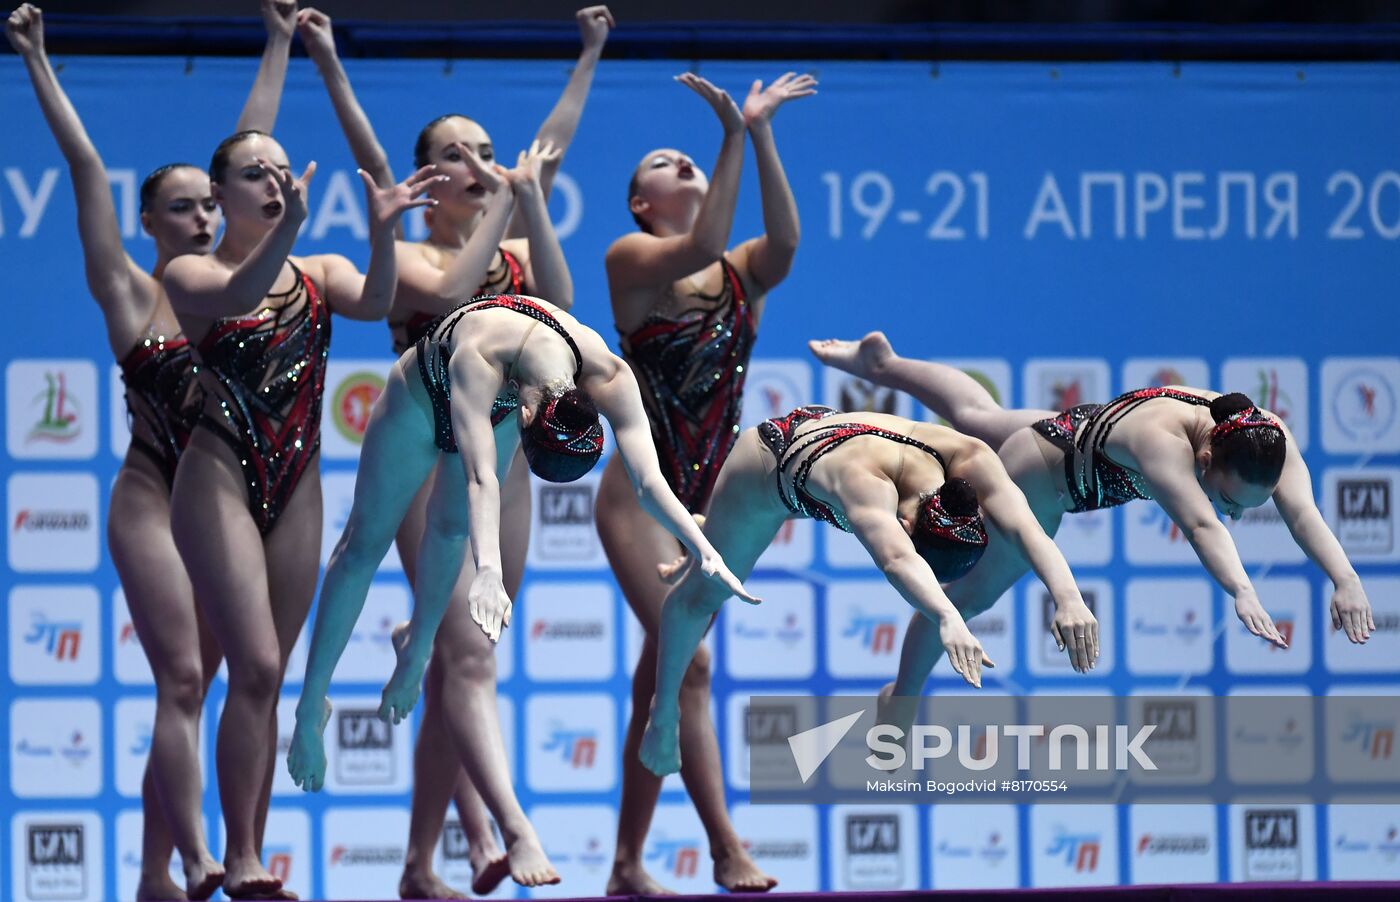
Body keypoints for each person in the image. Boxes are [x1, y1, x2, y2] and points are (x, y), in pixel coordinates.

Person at [295, 6, 611, 894]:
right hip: (426, 458)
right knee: (468, 654)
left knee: (463, 655)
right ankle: (509, 831)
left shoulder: (515, 233)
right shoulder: (418, 251)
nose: (480, 163)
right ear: (431, 176)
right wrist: (325, 56)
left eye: (486, 150)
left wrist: (587, 57)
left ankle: (417, 862)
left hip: (505, 466)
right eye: (458, 155)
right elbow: (452, 281)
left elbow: (560, 291)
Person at [286, 293, 757, 859]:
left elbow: (648, 481)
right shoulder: (479, 356)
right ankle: (312, 705)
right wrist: (490, 572)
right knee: (363, 544)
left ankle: (415, 650)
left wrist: (703, 545)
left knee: (450, 527)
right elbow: (483, 478)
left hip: (507, 398)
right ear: (532, 416)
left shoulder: (605, 372)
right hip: (421, 396)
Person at [7, 3, 294, 898]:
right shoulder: (128, 291)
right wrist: (37, 57)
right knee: (179, 677)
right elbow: (87, 166)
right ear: (148, 223)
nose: (206, 216)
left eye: (212, 203)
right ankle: (199, 856)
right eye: (183, 207)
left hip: (223, 506)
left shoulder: (232, 284)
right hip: (150, 500)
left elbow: (255, 146)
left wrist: (279, 41)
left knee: (214, 682)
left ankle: (150, 876)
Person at [810, 332, 1377, 731]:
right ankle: (901, 698)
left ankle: (882, 364)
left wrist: (1345, 579)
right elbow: (1201, 525)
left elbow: (1302, 514)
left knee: (977, 418)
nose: (1232, 513)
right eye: (1230, 497)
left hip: (1068, 432)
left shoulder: (1264, 438)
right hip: (1041, 479)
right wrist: (1244, 591)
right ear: (1203, 456)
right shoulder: (1164, 444)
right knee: (965, 599)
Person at [162, 128, 436, 899]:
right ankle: (238, 855)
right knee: (250, 662)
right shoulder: (191, 269)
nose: (275, 182)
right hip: (216, 472)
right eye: (256, 173)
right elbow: (240, 296)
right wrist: (289, 228)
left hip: (299, 482)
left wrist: (384, 234)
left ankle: (253, 855)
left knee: (268, 677)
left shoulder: (319, 270)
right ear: (220, 197)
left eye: (283, 171)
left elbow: (380, 300)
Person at [594, 69, 814, 894]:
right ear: (640, 203)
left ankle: (624, 864)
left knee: (664, 671)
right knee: (690, 666)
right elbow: (697, 243)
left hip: (710, 498)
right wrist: (725, 137)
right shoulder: (634, 263)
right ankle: (726, 846)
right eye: (664, 161)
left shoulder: (742, 271)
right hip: (643, 496)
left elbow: (785, 244)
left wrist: (758, 135)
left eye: (688, 156)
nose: (678, 162)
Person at [639, 405, 1089, 776]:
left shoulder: (971, 460)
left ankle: (715, 534)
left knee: (746, 537)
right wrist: (948, 616)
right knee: (707, 591)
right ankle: (663, 714)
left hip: (825, 454)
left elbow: (1029, 530)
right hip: (767, 466)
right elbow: (897, 560)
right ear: (907, 524)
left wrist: (1068, 597)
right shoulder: (867, 487)